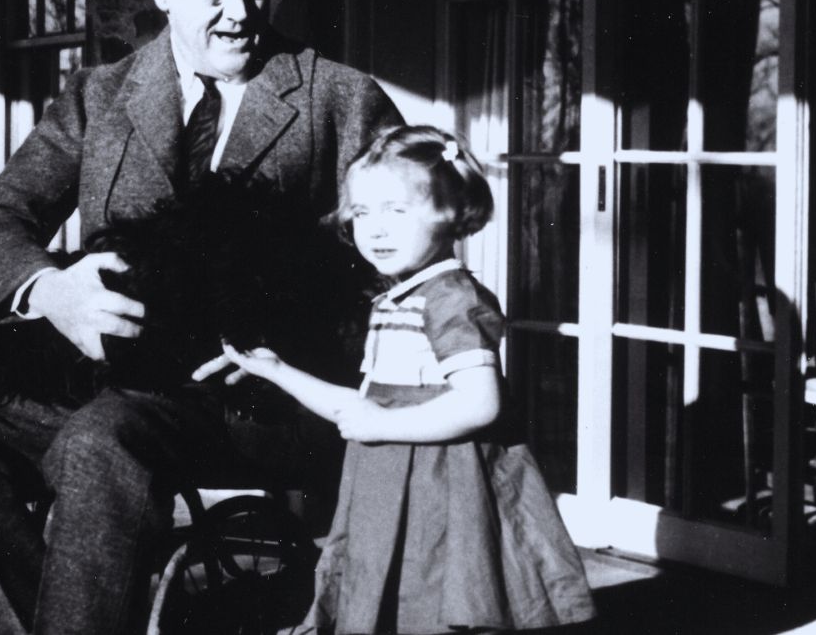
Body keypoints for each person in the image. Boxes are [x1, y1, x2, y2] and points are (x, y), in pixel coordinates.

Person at [0, 0, 402, 634]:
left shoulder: (339, 101)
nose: (241, 11)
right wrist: (49, 290)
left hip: (250, 398)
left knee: (100, 441)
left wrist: (294, 344)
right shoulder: (99, 96)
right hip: (102, 376)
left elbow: (393, 280)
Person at [220, 126, 598, 634]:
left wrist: (381, 426)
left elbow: (479, 404)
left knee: (430, 600)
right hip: (385, 485)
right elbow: (359, 408)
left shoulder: (451, 300)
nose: (375, 230)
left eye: (396, 212)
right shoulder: (397, 298)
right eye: (362, 213)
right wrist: (276, 370)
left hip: (442, 488)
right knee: (386, 597)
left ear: (451, 211)